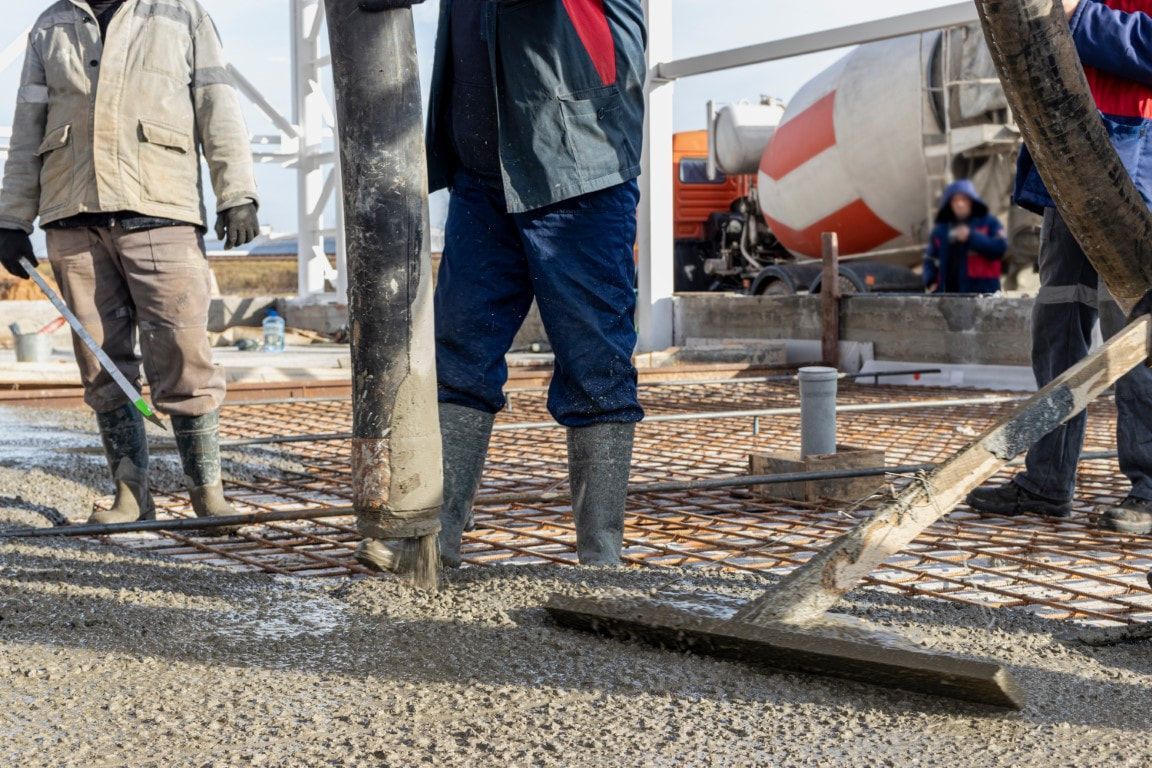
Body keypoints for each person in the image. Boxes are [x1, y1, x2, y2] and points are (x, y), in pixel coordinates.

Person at [356, 0, 647, 571]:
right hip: (484, 183)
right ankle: (435, 539)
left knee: (596, 365)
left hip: (578, 173)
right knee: (458, 358)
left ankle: (601, 558)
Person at [0, 0, 260, 526]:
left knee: (185, 354)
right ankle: (131, 496)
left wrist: (238, 193)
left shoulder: (180, 14)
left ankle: (207, 495)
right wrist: (11, 218)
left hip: (160, 208)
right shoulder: (52, 25)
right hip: (72, 217)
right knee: (101, 363)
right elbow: (28, 124)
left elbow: (216, 103)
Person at [967, 0, 1152, 533]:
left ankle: (1150, 487)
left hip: (1136, 154)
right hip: (1070, 154)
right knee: (1058, 325)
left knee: (1135, 336)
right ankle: (1047, 482)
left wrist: (1073, 14)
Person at [923, 179, 1008, 294]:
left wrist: (972, 237)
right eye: (955, 200)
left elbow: (1001, 248)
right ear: (950, 204)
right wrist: (930, 281)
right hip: (947, 297)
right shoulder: (940, 231)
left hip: (983, 296)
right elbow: (929, 258)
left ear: (972, 201)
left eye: (964, 199)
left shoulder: (989, 223)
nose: (960, 204)